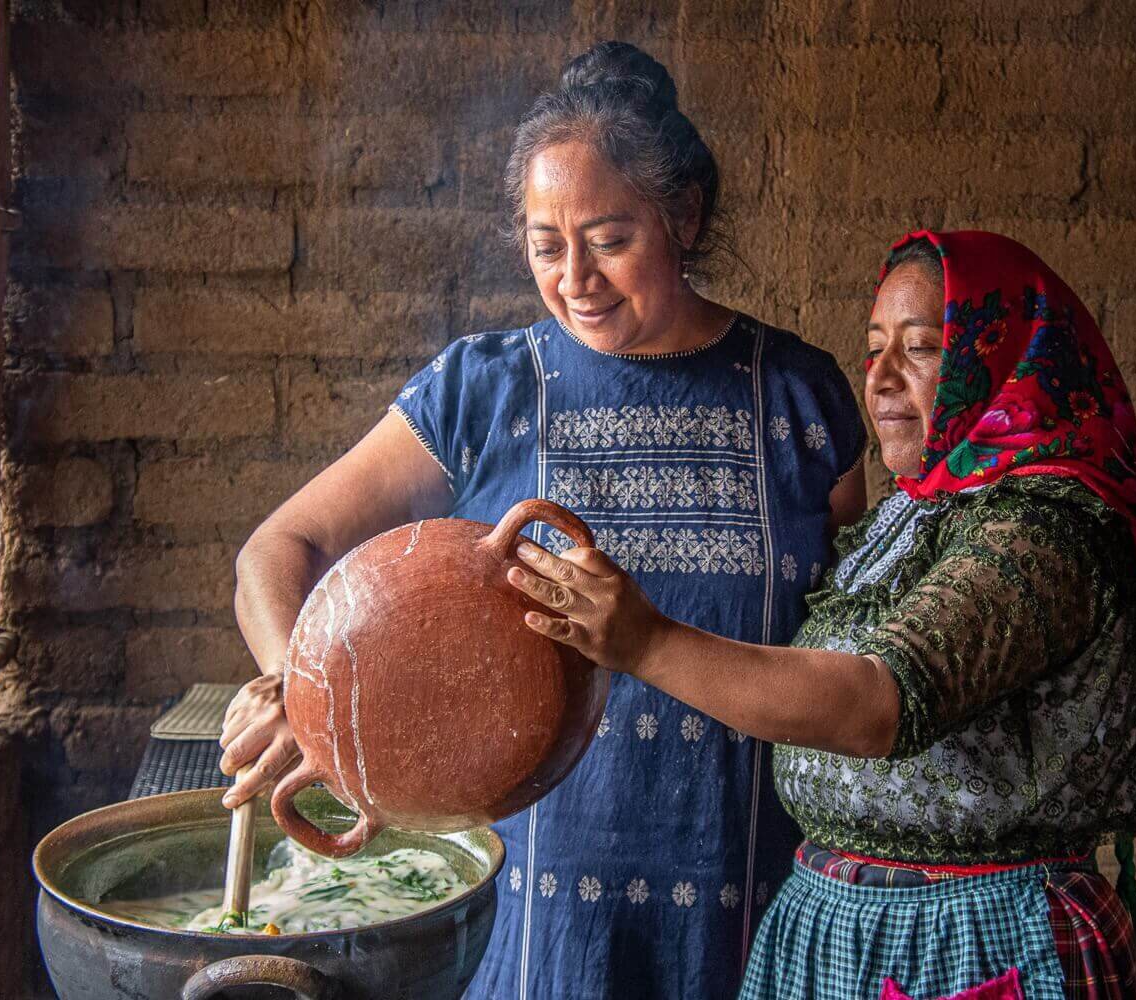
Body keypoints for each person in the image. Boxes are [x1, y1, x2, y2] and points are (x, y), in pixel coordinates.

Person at [218, 41, 866, 999]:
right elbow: (279, 547)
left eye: (609, 240)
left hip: (752, 893)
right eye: (545, 245)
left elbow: (848, 639)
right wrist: (294, 681)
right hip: (530, 915)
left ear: (683, 215)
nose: (577, 280)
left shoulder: (799, 398)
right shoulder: (484, 391)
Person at [508, 229, 1136, 1000]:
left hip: (977, 946)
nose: (880, 378)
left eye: (924, 348)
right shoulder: (909, 517)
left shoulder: (1046, 529)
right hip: (841, 934)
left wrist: (647, 642)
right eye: (875, 349)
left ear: (1010, 361)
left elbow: (881, 700)